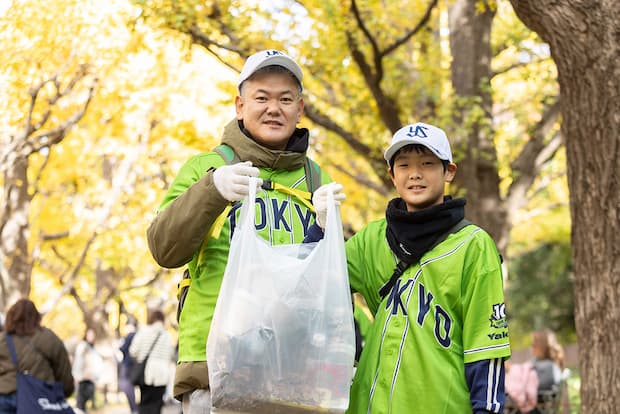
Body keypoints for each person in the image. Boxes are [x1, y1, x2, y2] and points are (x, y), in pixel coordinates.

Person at [146, 49, 336, 411]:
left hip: (292, 372)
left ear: (300, 109)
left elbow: (330, 280)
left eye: (285, 99)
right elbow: (163, 248)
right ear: (239, 105)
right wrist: (212, 190)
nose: (273, 108)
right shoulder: (206, 167)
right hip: (215, 372)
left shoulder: (317, 181)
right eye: (261, 97)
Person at [309, 122, 511, 413]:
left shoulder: (474, 246)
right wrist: (320, 228)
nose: (415, 173)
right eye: (403, 165)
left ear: (449, 171)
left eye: (428, 163)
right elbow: (311, 286)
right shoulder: (371, 239)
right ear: (392, 174)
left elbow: (486, 350)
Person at [0, 298, 75, 413]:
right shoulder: (48, 338)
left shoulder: (2, 340)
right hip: (39, 399)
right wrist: (63, 393)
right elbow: (64, 374)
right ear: (35, 317)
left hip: (4, 399)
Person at [129, 310, 174, 414]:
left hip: (146, 373)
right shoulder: (167, 335)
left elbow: (133, 351)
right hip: (162, 374)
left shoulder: (144, 331)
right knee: (157, 405)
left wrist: (141, 357)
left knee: (145, 402)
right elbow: (170, 355)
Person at [73, 327, 103, 413]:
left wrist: (96, 376)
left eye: (92, 335)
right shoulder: (83, 346)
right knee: (80, 404)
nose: (91, 337)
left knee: (87, 402)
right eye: (89, 335)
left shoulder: (93, 347)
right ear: (86, 335)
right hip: (82, 378)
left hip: (90, 378)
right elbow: (78, 361)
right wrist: (77, 375)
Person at [119, 317, 138, 414]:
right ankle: (134, 408)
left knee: (126, 385)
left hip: (127, 365)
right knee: (129, 387)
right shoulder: (137, 335)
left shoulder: (130, 335)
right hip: (133, 365)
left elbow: (122, 348)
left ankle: (134, 408)